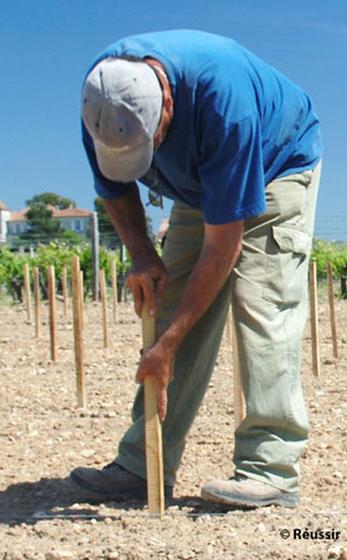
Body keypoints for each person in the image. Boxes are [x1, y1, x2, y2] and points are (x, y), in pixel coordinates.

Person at [70, 30, 322, 508]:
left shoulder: (225, 105)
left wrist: (167, 346)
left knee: (263, 306)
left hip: (276, 162)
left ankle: (270, 468)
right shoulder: (103, 97)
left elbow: (223, 245)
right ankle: (144, 462)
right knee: (173, 315)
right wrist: (142, 252)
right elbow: (114, 188)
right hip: (199, 184)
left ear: (166, 104)